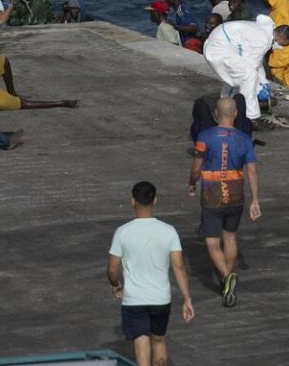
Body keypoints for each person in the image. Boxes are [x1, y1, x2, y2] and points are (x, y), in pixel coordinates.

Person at [107, 181, 194, 366]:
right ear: (155, 200)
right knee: (159, 339)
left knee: (141, 340)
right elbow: (179, 268)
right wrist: (187, 298)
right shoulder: (168, 231)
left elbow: (112, 268)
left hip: (134, 298)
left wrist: (115, 285)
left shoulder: (122, 232)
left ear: (132, 201)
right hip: (160, 298)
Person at [188, 97, 261, 308]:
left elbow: (195, 168)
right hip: (236, 195)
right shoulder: (245, 139)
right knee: (230, 238)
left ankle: (227, 276)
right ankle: (227, 280)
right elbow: (253, 171)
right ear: (236, 114)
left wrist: (192, 182)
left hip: (212, 195)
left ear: (216, 115)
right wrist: (255, 200)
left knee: (212, 241)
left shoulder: (204, 136)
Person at [203, 15, 289, 125]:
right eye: (283, 44)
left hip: (219, 42)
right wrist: (260, 88)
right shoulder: (264, 40)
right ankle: (251, 117)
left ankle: (226, 108)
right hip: (220, 48)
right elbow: (252, 66)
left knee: (238, 76)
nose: (281, 47)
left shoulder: (265, 30)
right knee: (248, 76)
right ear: (279, 36)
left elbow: (257, 63)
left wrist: (264, 82)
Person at [260, 0, 289, 90]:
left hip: (281, 53)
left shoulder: (281, 10)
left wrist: (275, 45)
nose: (263, 1)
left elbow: (285, 29)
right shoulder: (281, 6)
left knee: (277, 81)